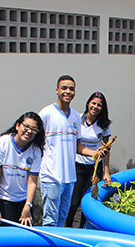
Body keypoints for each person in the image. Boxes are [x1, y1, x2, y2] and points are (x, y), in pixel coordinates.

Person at [38, 75, 107, 227]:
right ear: (57, 90)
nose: (67, 91)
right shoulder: (46, 114)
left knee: (62, 218)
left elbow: (77, 146)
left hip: (69, 177)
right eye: (64, 88)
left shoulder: (76, 116)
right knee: (50, 220)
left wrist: (93, 153)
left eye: (71, 88)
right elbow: (36, 141)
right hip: (51, 176)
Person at [0, 112, 45, 226]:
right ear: (17, 126)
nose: (29, 131)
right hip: (5, 199)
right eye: (26, 126)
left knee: (26, 235)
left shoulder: (35, 151)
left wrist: (28, 205)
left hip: (23, 200)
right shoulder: (2, 143)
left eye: (34, 129)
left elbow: (32, 182)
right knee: (8, 236)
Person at [66, 91, 112, 227]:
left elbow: (107, 148)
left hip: (94, 167)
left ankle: (83, 230)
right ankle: (68, 227)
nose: (95, 107)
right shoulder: (77, 119)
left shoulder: (104, 125)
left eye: (99, 105)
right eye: (93, 103)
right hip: (77, 166)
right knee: (74, 202)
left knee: (89, 201)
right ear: (88, 103)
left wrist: (106, 171)